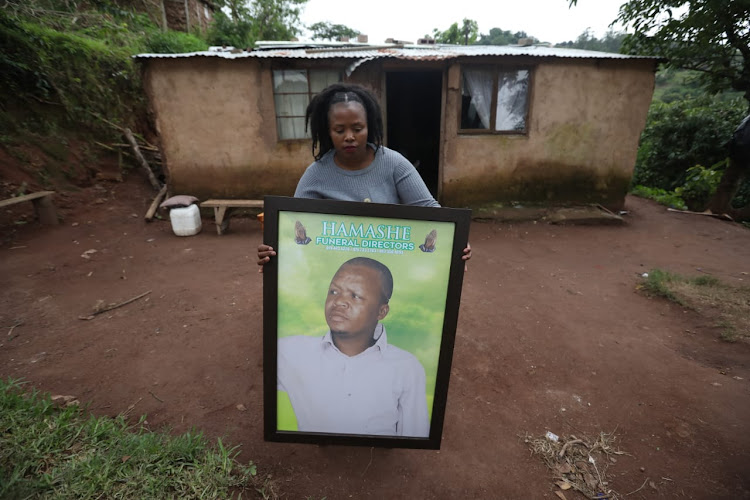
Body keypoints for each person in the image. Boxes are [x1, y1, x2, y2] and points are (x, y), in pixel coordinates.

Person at [257, 82, 471, 270]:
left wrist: (455, 238)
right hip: (332, 271)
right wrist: (272, 251)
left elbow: (431, 212)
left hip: (392, 270)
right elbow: (293, 229)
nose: (349, 137)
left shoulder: (394, 164)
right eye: (339, 130)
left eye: (357, 128)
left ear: (370, 127)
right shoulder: (316, 175)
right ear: (327, 131)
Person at [277, 257, 430, 437]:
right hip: (316, 458)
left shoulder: (406, 367)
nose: (339, 302)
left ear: (382, 311)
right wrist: (271, 267)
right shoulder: (290, 352)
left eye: (355, 296)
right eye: (334, 291)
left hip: (377, 459)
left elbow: (414, 436)